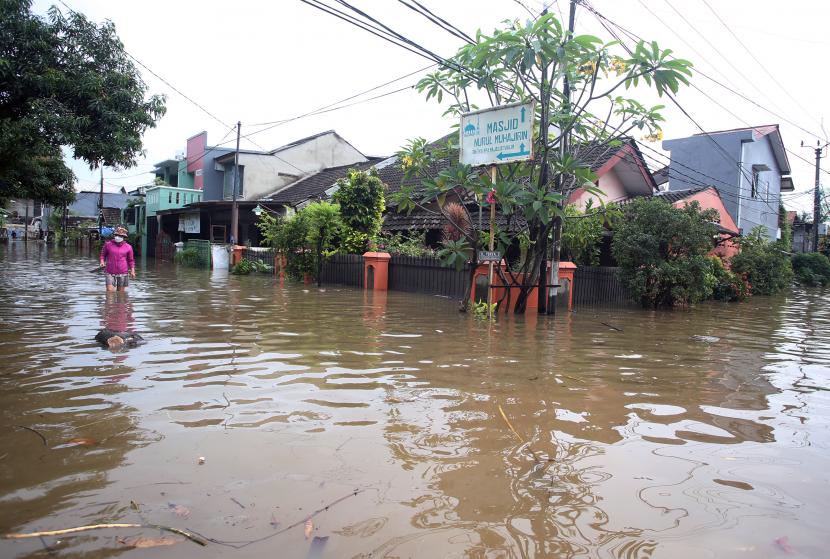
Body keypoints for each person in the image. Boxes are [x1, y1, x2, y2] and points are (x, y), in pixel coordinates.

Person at [100, 226, 136, 292]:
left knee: (121, 293)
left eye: (120, 236)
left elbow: (131, 260)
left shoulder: (128, 247)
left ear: (124, 238)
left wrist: (132, 271)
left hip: (123, 272)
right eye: (116, 235)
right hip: (109, 271)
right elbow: (103, 255)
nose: (117, 237)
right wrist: (102, 262)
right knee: (109, 291)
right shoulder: (108, 245)